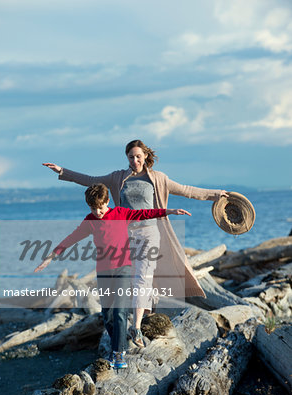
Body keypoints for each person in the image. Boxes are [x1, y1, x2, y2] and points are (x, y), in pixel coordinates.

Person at [43, 139, 228, 347]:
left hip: (150, 233)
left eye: (138, 156)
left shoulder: (159, 179)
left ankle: (136, 328)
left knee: (142, 278)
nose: (135, 160)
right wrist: (62, 171)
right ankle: (139, 315)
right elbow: (90, 180)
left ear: (146, 156)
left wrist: (215, 195)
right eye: (131, 157)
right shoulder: (117, 178)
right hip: (125, 236)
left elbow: (187, 190)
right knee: (129, 282)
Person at [34, 183, 191, 368]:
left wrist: (169, 211)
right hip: (104, 271)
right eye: (93, 209)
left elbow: (144, 214)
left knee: (120, 312)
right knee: (107, 314)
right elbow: (71, 238)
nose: (98, 212)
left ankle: (118, 354)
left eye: (100, 208)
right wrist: (51, 256)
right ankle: (121, 341)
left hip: (123, 268)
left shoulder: (120, 214)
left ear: (107, 202)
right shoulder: (90, 221)